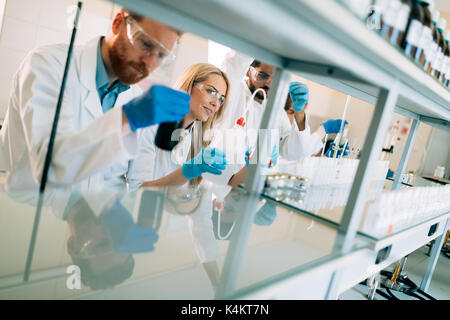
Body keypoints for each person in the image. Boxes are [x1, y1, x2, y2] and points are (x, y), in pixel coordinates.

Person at [0, 9, 190, 198]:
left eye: (161, 56)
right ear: (117, 22)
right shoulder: (48, 65)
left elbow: (110, 178)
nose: (149, 63)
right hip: (19, 213)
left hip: (78, 220)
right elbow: (48, 169)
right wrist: (126, 118)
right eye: (145, 43)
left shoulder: (134, 97)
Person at [127, 63, 230, 189]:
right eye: (211, 91)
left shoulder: (199, 138)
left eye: (221, 99)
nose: (215, 103)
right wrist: (185, 173)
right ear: (189, 85)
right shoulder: (153, 124)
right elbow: (137, 188)